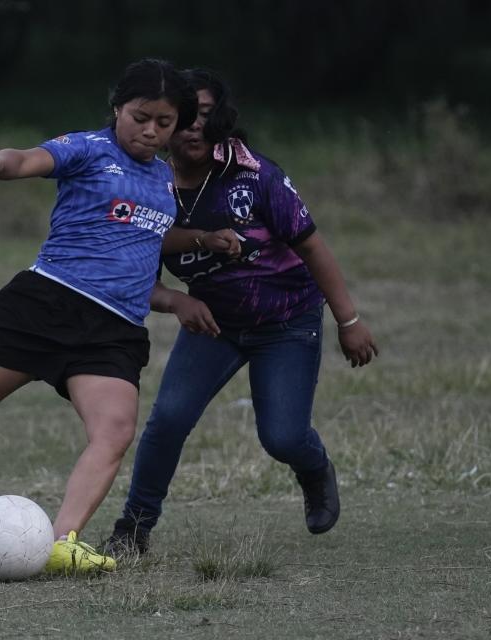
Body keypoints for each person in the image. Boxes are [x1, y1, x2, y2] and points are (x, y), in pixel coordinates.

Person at [0, 58, 197, 573]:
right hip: (45, 306)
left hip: (113, 329)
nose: (151, 130)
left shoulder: (165, 180)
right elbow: (28, 159)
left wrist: (183, 285)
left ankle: (60, 542)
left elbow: (143, 248)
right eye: (141, 116)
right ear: (118, 109)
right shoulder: (88, 149)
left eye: (164, 123)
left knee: (115, 431)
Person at [105, 68, 378, 554]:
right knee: (167, 419)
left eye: (203, 116)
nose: (191, 127)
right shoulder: (145, 185)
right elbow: (136, 278)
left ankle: (314, 470)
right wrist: (179, 301)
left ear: (220, 119)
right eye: (182, 118)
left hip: (288, 322)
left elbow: (313, 246)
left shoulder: (254, 176)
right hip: (215, 326)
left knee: (282, 437)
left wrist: (349, 321)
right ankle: (134, 528)